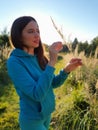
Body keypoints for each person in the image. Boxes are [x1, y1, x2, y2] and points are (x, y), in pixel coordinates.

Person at [7, 16, 82, 130]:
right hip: (32, 120)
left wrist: (66, 70)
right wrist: (52, 61)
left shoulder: (39, 57)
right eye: (31, 31)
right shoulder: (14, 62)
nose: (37, 35)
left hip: (47, 115)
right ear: (19, 36)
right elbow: (37, 94)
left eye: (38, 31)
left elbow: (52, 84)